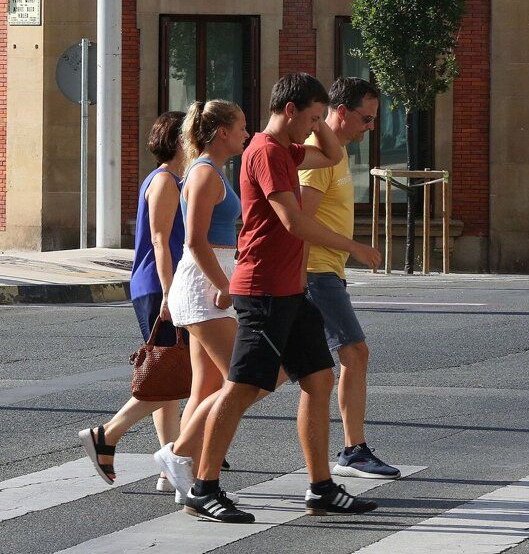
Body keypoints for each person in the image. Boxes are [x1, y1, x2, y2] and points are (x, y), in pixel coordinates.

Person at [182, 73, 383, 524]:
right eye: (311, 117)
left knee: (318, 380)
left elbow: (333, 154)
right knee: (240, 388)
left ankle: (322, 487)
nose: (318, 125)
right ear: (289, 111)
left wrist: (320, 118)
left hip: (291, 289)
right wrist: (354, 247)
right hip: (264, 289)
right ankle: (203, 486)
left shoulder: (288, 149)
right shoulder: (267, 152)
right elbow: (293, 221)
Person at [79, 111, 187, 490]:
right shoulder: (164, 182)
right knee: (172, 374)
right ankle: (107, 433)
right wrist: (171, 293)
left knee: (169, 378)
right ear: (180, 141)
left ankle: (169, 464)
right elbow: (160, 241)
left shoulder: (173, 180)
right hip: (160, 286)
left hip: (161, 285)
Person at [300, 77, 399, 480]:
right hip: (315, 273)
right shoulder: (319, 158)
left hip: (326, 273)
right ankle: (353, 451)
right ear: (340, 112)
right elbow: (301, 222)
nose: (371, 127)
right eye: (366, 118)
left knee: (270, 373)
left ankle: (196, 441)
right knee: (354, 352)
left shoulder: (337, 154)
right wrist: (355, 247)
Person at [153, 101, 248, 504]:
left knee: (207, 385)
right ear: (222, 132)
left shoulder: (212, 170)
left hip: (209, 283)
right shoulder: (206, 172)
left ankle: (181, 471)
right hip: (205, 287)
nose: (247, 133)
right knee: (242, 381)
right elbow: (194, 240)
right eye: (242, 126)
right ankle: (177, 455)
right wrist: (224, 284)